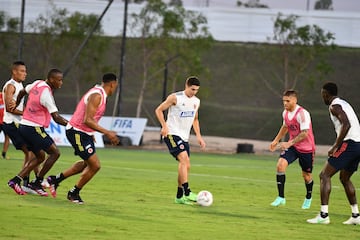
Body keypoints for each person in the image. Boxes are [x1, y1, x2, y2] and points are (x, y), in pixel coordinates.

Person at [43, 73, 119, 204]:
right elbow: (88, 120)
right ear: (112, 84)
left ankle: (55, 180)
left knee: (87, 164)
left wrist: (91, 133)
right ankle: (73, 193)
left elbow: (89, 118)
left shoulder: (99, 94)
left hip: (84, 133)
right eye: (115, 86)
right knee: (95, 165)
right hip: (77, 132)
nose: (115, 88)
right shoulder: (97, 95)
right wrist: (107, 132)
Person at [7, 68, 69, 197]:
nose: (61, 83)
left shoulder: (37, 83)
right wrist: (72, 126)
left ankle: (16, 180)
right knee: (55, 153)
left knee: (40, 156)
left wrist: (17, 104)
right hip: (33, 128)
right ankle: (37, 182)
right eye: (59, 80)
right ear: (51, 80)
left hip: (24, 126)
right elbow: (56, 118)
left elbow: (23, 91)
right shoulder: (46, 93)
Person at [307, 82, 360, 225]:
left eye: (322, 95)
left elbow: (346, 124)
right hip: (358, 144)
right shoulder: (343, 103)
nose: (322, 97)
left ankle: (323, 216)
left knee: (324, 175)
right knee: (344, 178)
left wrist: (336, 146)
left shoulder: (334, 106)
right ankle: (356, 215)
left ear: (326, 94)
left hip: (349, 144)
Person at [155, 76, 206, 205]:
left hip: (184, 137)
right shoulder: (175, 98)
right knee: (184, 160)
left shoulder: (196, 101)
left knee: (186, 165)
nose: (194, 92)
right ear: (186, 85)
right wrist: (164, 126)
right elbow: (159, 110)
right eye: (192, 89)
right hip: (171, 133)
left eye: (196, 90)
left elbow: (195, 119)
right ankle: (187, 192)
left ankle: (179, 196)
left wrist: (199, 136)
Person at [269, 90, 316, 209]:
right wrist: (276, 140)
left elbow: (304, 133)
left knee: (306, 176)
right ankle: (281, 197)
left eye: (287, 101)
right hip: (293, 147)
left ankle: (308, 197)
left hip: (306, 149)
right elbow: (285, 127)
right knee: (280, 165)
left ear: (295, 100)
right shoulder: (285, 113)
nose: (285, 103)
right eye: (283, 101)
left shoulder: (303, 114)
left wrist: (289, 143)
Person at [3, 61, 38, 192]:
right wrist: (26, 113)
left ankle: (29, 182)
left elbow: (17, 106)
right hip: (11, 124)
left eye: (25, 71)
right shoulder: (11, 86)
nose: (25, 73)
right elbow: (9, 108)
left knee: (33, 152)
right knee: (31, 152)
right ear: (14, 72)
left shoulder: (19, 85)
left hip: (19, 123)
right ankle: (25, 182)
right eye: (22, 71)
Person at [0, 91, 10, 159]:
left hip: (6, 121)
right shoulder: (1, 96)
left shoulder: (10, 98)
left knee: (7, 137)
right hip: (0, 121)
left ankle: (4, 154)